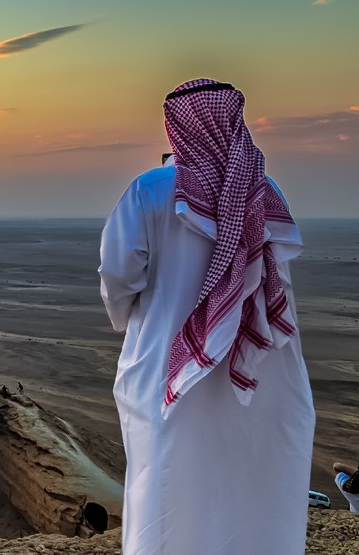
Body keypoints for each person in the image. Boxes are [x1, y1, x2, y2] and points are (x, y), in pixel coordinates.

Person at [99, 79, 314, 555]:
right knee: (252, 477)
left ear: (175, 126)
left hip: (168, 363)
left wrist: (135, 320)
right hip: (260, 364)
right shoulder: (264, 190)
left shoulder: (150, 189)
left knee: (167, 478)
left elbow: (118, 278)